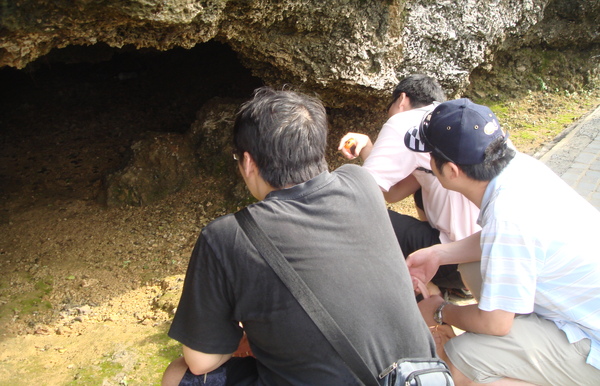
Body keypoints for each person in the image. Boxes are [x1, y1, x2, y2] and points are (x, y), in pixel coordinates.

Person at [162, 87, 436, 386]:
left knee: (178, 373)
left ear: (249, 162)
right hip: (416, 375)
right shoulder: (361, 183)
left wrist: (245, 338)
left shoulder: (226, 236)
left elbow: (201, 361)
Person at [404, 98, 600, 385]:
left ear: (451, 171)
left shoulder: (508, 214)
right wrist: (439, 253)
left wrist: (438, 309)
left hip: (591, 341)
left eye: (431, 155)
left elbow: (494, 323)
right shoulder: (519, 169)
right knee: (471, 268)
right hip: (583, 307)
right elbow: (503, 240)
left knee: (462, 359)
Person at [338, 74, 480, 291]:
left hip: (452, 259)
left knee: (359, 218)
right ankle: (446, 288)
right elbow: (393, 193)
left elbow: (363, 195)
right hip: (484, 257)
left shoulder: (405, 122)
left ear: (402, 99)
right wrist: (367, 146)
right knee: (422, 187)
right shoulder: (453, 124)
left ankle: (418, 294)